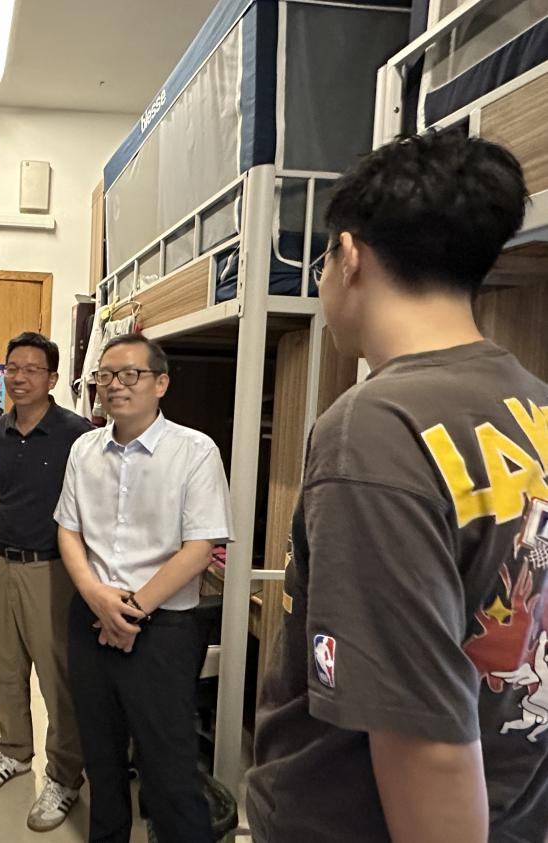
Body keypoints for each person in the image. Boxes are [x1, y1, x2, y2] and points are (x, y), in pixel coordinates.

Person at [248, 129, 548, 842]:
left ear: (349, 256)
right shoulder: (534, 402)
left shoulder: (377, 427)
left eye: (323, 261)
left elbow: (422, 737)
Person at [55, 333, 232, 843]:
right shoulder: (84, 448)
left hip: (163, 628)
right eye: (106, 376)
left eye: (130, 374)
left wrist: (129, 612)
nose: (115, 385)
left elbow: (199, 548)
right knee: (101, 757)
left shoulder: (194, 450)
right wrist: (95, 595)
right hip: (91, 617)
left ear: (161, 383)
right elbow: (69, 531)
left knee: (169, 767)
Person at [0, 332, 93, 832]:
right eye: (12, 368)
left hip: (52, 568)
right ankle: (14, 752)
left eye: (31, 369)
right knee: (4, 667)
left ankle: (64, 776)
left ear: (52, 378)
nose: (19, 378)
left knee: (56, 676)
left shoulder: (78, 434)